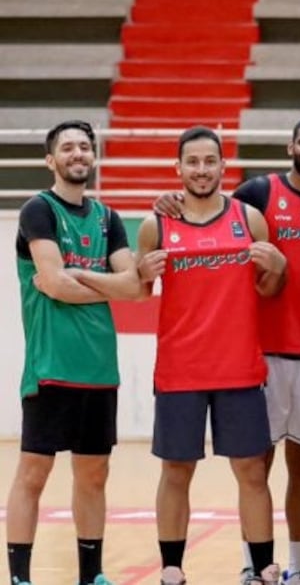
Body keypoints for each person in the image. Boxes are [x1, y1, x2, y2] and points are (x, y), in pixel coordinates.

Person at [135, 127, 288, 585]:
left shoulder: (249, 218)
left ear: (224, 167)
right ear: (178, 168)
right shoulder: (155, 226)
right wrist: (141, 271)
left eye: (210, 161)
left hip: (239, 367)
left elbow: (268, 288)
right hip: (181, 369)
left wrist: (279, 270)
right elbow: (141, 291)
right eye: (193, 162)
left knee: (251, 470)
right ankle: (172, 567)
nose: (202, 170)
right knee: (176, 470)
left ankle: (263, 566)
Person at [7, 120, 146, 585]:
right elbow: (52, 282)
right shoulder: (38, 210)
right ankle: (21, 578)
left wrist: (80, 281)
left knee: (93, 477)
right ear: (51, 160)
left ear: (93, 156)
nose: (77, 153)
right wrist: (110, 286)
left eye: (84, 146)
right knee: (33, 474)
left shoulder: (107, 218)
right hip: (51, 368)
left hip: (99, 370)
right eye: (67, 147)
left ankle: (92, 576)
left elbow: (136, 288)